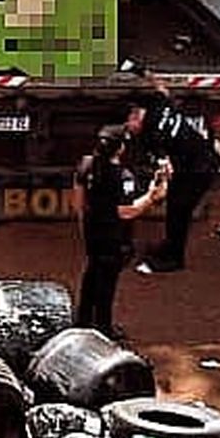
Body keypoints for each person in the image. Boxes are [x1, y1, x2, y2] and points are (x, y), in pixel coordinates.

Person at [75, 124, 170, 337]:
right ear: (120, 148)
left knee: (91, 274)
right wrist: (152, 196)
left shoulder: (86, 165)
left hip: (93, 232)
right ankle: (103, 327)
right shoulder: (122, 177)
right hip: (114, 236)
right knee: (107, 282)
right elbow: (127, 211)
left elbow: (79, 199)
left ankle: (82, 321)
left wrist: (84, 226)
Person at [125, 91, 220, 272]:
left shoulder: (151, 137)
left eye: (130, 125)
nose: (130, 129)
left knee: (178, 214)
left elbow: (164, 167)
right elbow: (163, 91)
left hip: (196, 172)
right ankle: (168, 247)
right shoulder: (159, 104)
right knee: (174, 211)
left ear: (136, 117)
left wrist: (156, 189)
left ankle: (174, 259)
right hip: (199, 160)